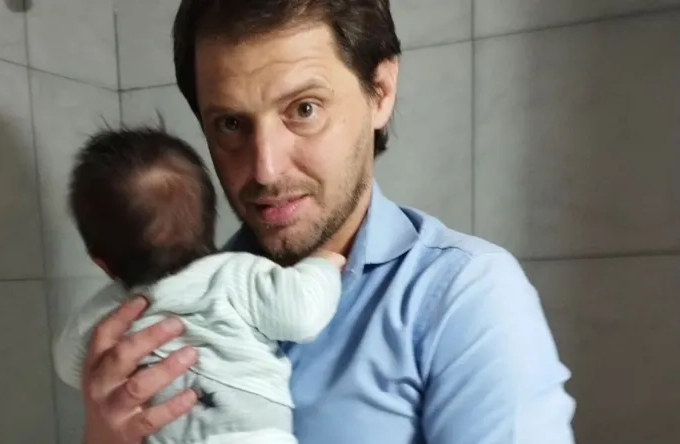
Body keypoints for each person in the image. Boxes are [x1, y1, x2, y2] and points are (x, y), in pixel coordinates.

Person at [71, 1, 577, 443]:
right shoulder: (172, 308)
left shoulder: (466, 297)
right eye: (231, 123)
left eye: (304, 109)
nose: (266, 169)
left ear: (380, 92)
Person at [54, 127, 345, 444]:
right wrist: (323, 265)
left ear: (103, 264)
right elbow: (301, 314)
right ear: (210, 220)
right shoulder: (235, 274)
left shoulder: (112, 313)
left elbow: (70, 365)